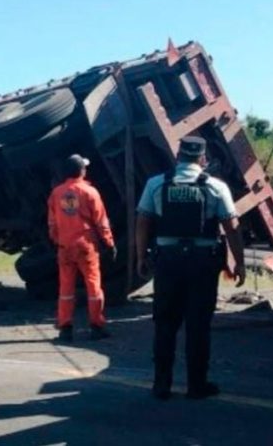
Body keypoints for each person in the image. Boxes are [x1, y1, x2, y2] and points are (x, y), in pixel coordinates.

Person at [135, 136, 246, 400]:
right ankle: (197, 385)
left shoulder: (156, 183)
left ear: (178, 156)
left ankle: (161, 385)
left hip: (168, 260)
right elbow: (231, 226)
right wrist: (238, 262)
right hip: (202, 262)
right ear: (203, 158)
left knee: (165, 323)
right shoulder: (216, 187)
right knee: (198, 325)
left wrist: (141, 256)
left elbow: (143, 221)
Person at [47, 154, 117, 342]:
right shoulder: (90, 192)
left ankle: (65, 328)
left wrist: (56, 240)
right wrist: (109, 243)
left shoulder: (57, 193)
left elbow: (52, 223)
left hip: (65, 246)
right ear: (81, 171)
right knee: (93, 285)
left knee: (66, 288)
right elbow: (101, 221)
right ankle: (96, 325)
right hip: (86, 246)